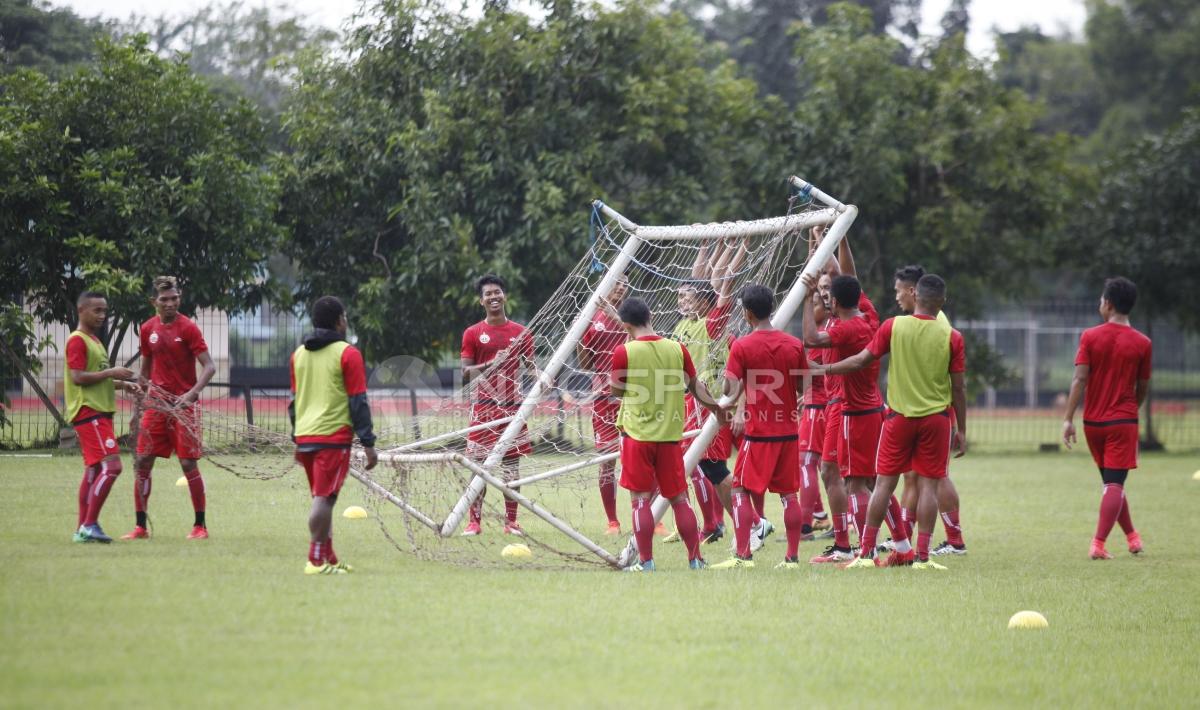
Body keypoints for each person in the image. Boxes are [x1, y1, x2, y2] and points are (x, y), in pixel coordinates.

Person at [824, 274, 967, 570]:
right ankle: (923, 557)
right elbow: (959, 388)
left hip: (898, 418)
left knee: (883, 486)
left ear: (916, 296)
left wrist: (822, 368)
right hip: (936, 419)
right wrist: (961, 428)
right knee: (928, 487)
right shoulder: (952, 336)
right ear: (942, 302)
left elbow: (861, 360)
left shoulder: (894, 326)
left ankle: (865, 555)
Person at [611, 297, 719, 571]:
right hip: (671, 437)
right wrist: (717, 410)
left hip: (637, 437)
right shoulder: (677, 348)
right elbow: (696, 387)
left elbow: (616, 392)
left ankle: (646, 563)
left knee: (640, 501)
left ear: (625, 325)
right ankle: (696, 560)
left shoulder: (624, 352)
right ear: (650, 315)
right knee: (679, 499)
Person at [710, 285, 809, 569]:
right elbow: (802, 385)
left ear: (748, 313)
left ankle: (743, 556)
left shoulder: (742, 346)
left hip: (759, 434)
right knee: (789, 495)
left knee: (740, 490)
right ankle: (791, 558)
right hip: (789, 432)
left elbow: (730, 388)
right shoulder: (794, 344)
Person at [1062, 277, 1150, 560]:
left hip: (1093, 424)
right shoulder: (1143, 343)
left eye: (1101, 300)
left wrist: (1068, 419)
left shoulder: (1089, 336)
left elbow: (1079, 379)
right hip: (1122, 422)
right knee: (1114, 484)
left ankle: (1132, 537)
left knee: (1111, 484)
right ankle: (1098, 544)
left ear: (1108, 304)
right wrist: (1129, 410)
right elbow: (1143, 386)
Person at [122, 276, 216, 541]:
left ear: (179, 298)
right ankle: (140, 527)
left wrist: (192, 394)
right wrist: (136, 411)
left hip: (183, 407)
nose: (171, 303)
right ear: (154, 302)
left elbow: (209, 366)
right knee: (142, 461)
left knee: (188, 463)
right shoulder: (147, 329)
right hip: (156, 405)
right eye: (164, 299)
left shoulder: (188, 328)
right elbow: (144, 373)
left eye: (174, 298)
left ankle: (200, 526)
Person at [289, 296, 377, 575]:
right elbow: (357, 401)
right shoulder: (348, 353)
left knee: (323, 497)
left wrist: (296, 436)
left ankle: (330, 558)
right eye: (346, 316)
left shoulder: (298, 355)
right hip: (333, 436)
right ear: (339, 320)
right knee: (324, 499)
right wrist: (369, 443)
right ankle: (315, 560)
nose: (346, 321)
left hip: (306, 435)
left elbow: (293, 402)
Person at [802, 272, 883, 563]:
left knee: (844, 476)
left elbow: (810, 340)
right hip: (853, 405)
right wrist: (828, 236)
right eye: (820, 288)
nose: (823, 293)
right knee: (872, 480)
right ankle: (895, 543)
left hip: (847, 407)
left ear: (836, 297)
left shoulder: (846, 325)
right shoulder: (860, 315)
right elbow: (840, 268)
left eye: (827, 289)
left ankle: (855, 546)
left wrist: (807, 297)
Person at [891, 265, 966, 555]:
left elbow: (951, 378)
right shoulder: (919, 319)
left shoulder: (938, 323)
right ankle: (905, 538)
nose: (897, 297)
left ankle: (955, 540)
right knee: (914, 476)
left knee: (936, 477)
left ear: (913, 292)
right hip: (922, 410)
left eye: (899, 291)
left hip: (933, 410)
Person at [461, 274, 536, 536]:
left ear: (505, 296)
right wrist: (490, 364)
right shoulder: (472, 333)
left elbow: (532, 370)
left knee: (511, 465)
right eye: (488, 294)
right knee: (477, 465)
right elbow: (465, 374)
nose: (493, 297)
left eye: (497, 292)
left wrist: (543, 381)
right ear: (481, 301)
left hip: (513, 409)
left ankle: (511, 522)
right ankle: (474, 521)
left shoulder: (521, 332)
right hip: (483, 407)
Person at [67, 291, 141, 543]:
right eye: (96, 310)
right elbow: (78, 377)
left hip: (98, 411)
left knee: (94, 469)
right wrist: (112, 372)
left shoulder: (95, 341)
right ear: (81, 311)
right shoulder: (77, 340)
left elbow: (95, 377)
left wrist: (122, 384)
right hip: (90, 412)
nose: (101, 315)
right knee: (113, 466)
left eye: (104, 311)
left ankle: (81, 529)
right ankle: (89, 525)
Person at [577, 277, 629, 534]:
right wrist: (579, 337)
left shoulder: (633, 313)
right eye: (617, 282)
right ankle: (613, 522)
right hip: (604, 400)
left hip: (633, 396)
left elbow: (644, 337)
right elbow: (586, 364)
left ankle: (656, 519)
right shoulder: (592, 318)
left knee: (640, 457)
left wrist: (615, 315)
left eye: (625, 283)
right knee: (607, 460)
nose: (621, 287)